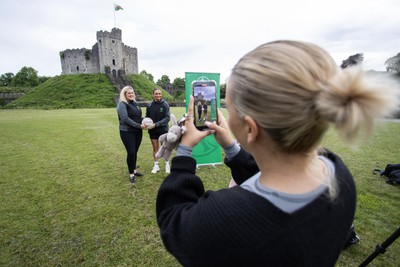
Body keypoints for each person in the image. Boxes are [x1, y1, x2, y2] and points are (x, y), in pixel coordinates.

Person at [156, 41, 400, 266]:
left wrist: (185, 152)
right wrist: (231, 147)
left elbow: (174, 220)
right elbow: (267, 173)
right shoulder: (338, 172)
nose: (225, 115)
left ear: (250, 128)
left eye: (228, 108)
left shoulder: (227, 216)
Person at [116, 86, 145, 183]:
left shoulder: (135, 104)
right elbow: (125, 118)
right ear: (124, 94)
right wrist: (138, 125)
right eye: (129, 93)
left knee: (135, 152)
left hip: (137, 131)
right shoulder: (122, 104)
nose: (131, 94)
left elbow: (138, 117)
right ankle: (131, 174)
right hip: (127, 132)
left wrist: (145, 121)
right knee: (131, 152)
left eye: (132, 93)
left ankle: (134, 170)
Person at [146, 88, 171, 174]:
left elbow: (167, 118)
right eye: (156, 94)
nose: (158, 95)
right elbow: (147, 117)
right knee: (155, 148)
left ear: (161, 94)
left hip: (163, 130)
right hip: (152, 131)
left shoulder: (165, 105)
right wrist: (146, 123)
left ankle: (167, 164)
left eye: (159, 94)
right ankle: (156, 165)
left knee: (164, 147)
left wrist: (156, 124)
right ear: (153, 95)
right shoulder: (149, 105)